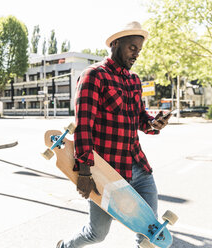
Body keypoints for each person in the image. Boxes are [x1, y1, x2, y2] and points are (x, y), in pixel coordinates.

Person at [56, 21, 172, 248]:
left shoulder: (134, 81)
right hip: (107, 175)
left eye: (139, 49)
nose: (136, 54)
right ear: (116, 44)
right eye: (132, 48)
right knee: (96, 234)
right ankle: (65, 247)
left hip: (139, 169)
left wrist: (155, 124)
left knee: (150, 236)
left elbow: (141, 120)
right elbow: (83, 127)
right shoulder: (93, 76)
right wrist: (85, 172)